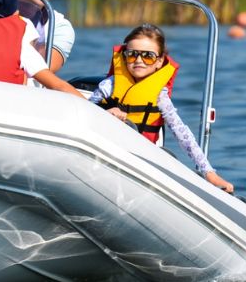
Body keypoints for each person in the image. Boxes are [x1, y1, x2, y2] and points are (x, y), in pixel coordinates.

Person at [89, 23, 235, 193]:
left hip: (140, 159)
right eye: (132, 54)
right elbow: (85, 110)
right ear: (124, 56)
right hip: (105, 151)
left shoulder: (160, 96)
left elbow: (182, 134)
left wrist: (209, 173)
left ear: (159, 62)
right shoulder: (109, 85)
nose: (138, 61)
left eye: (148, 56)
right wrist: (105, 113)